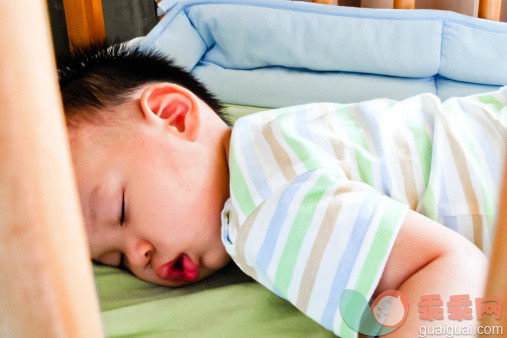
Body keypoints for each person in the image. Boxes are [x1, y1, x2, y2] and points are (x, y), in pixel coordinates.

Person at [59, 42, 505, 337]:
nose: (138, 257)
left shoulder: (262, 201)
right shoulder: (273, 137)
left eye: (121, 210)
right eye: (112, 259)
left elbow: (458, 273)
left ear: (176, 117)